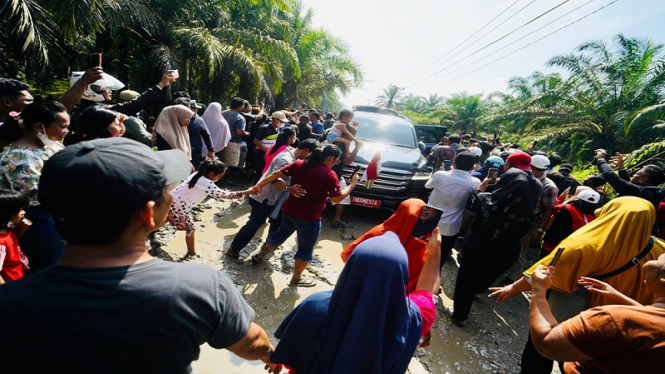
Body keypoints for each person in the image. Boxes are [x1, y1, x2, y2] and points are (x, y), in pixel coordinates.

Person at [0, 138, 278, 373]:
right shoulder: (202, 287)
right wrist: (271, 355)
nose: (172, 193)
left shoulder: (10, 302)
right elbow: (254, 345)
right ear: (148, 213)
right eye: (166, 189)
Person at [489, 196, 665, 374]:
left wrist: (514, 288)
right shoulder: (659, 249)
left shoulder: (585, 244)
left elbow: (545, 270)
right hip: (631, 319)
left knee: (547, 343)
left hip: (589, 310)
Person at [271, 231, 439, 374]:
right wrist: (434, 253)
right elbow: (426, 293)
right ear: (400, 276)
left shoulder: (314, 306)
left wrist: (275, 360)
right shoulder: (410, 319)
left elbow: (291, 354)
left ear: (352, 267)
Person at [528, 254, 665, 374]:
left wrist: (538, 290)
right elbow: (653, 322)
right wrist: (620, 297)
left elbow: (546, 342)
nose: (652, 260)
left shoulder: (614, 320)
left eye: (660, 258)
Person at [249, 144, 359, 287]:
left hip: (289, 211)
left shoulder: (300, 164)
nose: (336, 163)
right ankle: (296, 278)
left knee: (280, 234)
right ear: (331, 158)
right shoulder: (328, 175)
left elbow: (275, 175)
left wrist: (259, 185)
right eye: (337, 161)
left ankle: (260, 255)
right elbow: (336, 199)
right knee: (305, 249)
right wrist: (352, 185)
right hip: (309, 218)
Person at [452, 166, 540, 326]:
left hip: (480, 246)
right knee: (488, 275)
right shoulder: (528, 212)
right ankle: (477, 292)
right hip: (507, 252)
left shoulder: (487, 200)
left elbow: (471, 204)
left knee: (467, 279)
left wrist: (482, 187)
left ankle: (460, 316)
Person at [0, 100, 69, 273]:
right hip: (37, 219)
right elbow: (37, 197)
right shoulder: (19, 158)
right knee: (48, 267)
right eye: (62, 127)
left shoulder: (52, 144)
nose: (66, 132)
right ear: (40, 127)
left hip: (57, 213)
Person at [225, 139, 318, 260]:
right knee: (254, 224)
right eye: (310, 155)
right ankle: (233, 250)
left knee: (272, 224)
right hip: (263, 197)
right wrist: (288, 188)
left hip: (272, 197)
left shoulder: (291, 155)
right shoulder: (286, 159)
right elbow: (273, 178)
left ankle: (262, 252)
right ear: (306, 150)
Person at [342, 199, 433, 292]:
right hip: (395, 297)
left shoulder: (379, 232)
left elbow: (352, 254)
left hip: (364, 288)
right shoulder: (421, 246)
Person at [169, 159, 251, 256]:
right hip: (179, 206)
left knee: (167, 216)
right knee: (190, 229)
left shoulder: (197, 174)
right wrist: (247, 192)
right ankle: (191, 253)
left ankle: (148, 232)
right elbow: (225, 195)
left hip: (170, 200)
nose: (220, 178)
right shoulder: (206, 183)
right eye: (219, 176)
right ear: (211, 173)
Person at [505, 154, 558, 284]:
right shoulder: (523, 178)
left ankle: (513, 278)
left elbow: (548, 210)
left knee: (520, 250)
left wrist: (539, 229)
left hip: (530, 221)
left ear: (532, 167)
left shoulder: (549, 186)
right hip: (512, 216)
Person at [426, 152, 480, 267]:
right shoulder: (474, 182)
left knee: (421, 249)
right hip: (451, 226)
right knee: (442, 254)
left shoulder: (440, 175)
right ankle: (434, 278)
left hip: (429, 220)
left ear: (453, 163)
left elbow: (428, 186)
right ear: (472, 167)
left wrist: (443, 170)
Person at [594, 149, 665, 209]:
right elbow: (628, 186)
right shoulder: (654, 192)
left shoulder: (642, 193)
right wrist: (621, 168)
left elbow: (610, 176)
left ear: (643, 180)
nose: (633, 175)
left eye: (636, 173)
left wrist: (600, 159)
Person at [541, 189, 601, 257]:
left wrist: (562, 197)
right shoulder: (596, 219)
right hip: (571, 250)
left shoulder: (565, 208)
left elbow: (552, 208)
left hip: (551, 245)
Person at [329, 125, 363, 228]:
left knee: (343, 198)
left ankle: (337, 220)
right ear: (349, 134)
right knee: (341, 197)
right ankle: (336, 220)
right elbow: (347, 162)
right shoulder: (340, 145)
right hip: (331, 176)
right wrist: (357, 148)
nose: (354, 139)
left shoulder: (340, 143)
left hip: (336, 175)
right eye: (354, 135)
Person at [0, 189, 31, 283]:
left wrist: (22, 229)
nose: (23, 212)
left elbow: (12, 242)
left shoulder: (8, 228)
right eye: (20, 210)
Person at [254, 112, 287, 176]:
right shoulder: (265, 128)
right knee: (260, 173)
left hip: (271, 154)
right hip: (262, 154)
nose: (283, 123)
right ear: (275, 120)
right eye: (281, 121)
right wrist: (267, 151)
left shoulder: (278, 129)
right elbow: (256, 141)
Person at [222, 97, 250, 168]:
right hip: (232, 142)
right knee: (230, 164)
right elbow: (239, 132)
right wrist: (247, 133)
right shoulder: (239, 117)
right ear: (240, 106)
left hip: (221, 140)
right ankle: (225, 178)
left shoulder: (223, 113)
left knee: (221, 161)